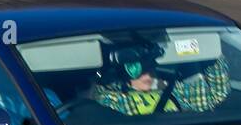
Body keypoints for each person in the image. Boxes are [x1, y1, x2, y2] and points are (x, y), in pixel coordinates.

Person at [92, 38, 230, 116]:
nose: (147, 74)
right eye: (138, 69)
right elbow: (95, 97)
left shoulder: (174, 91)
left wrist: (209, 53)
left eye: (150, 67)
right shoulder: (115, 100)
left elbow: (217, 93)